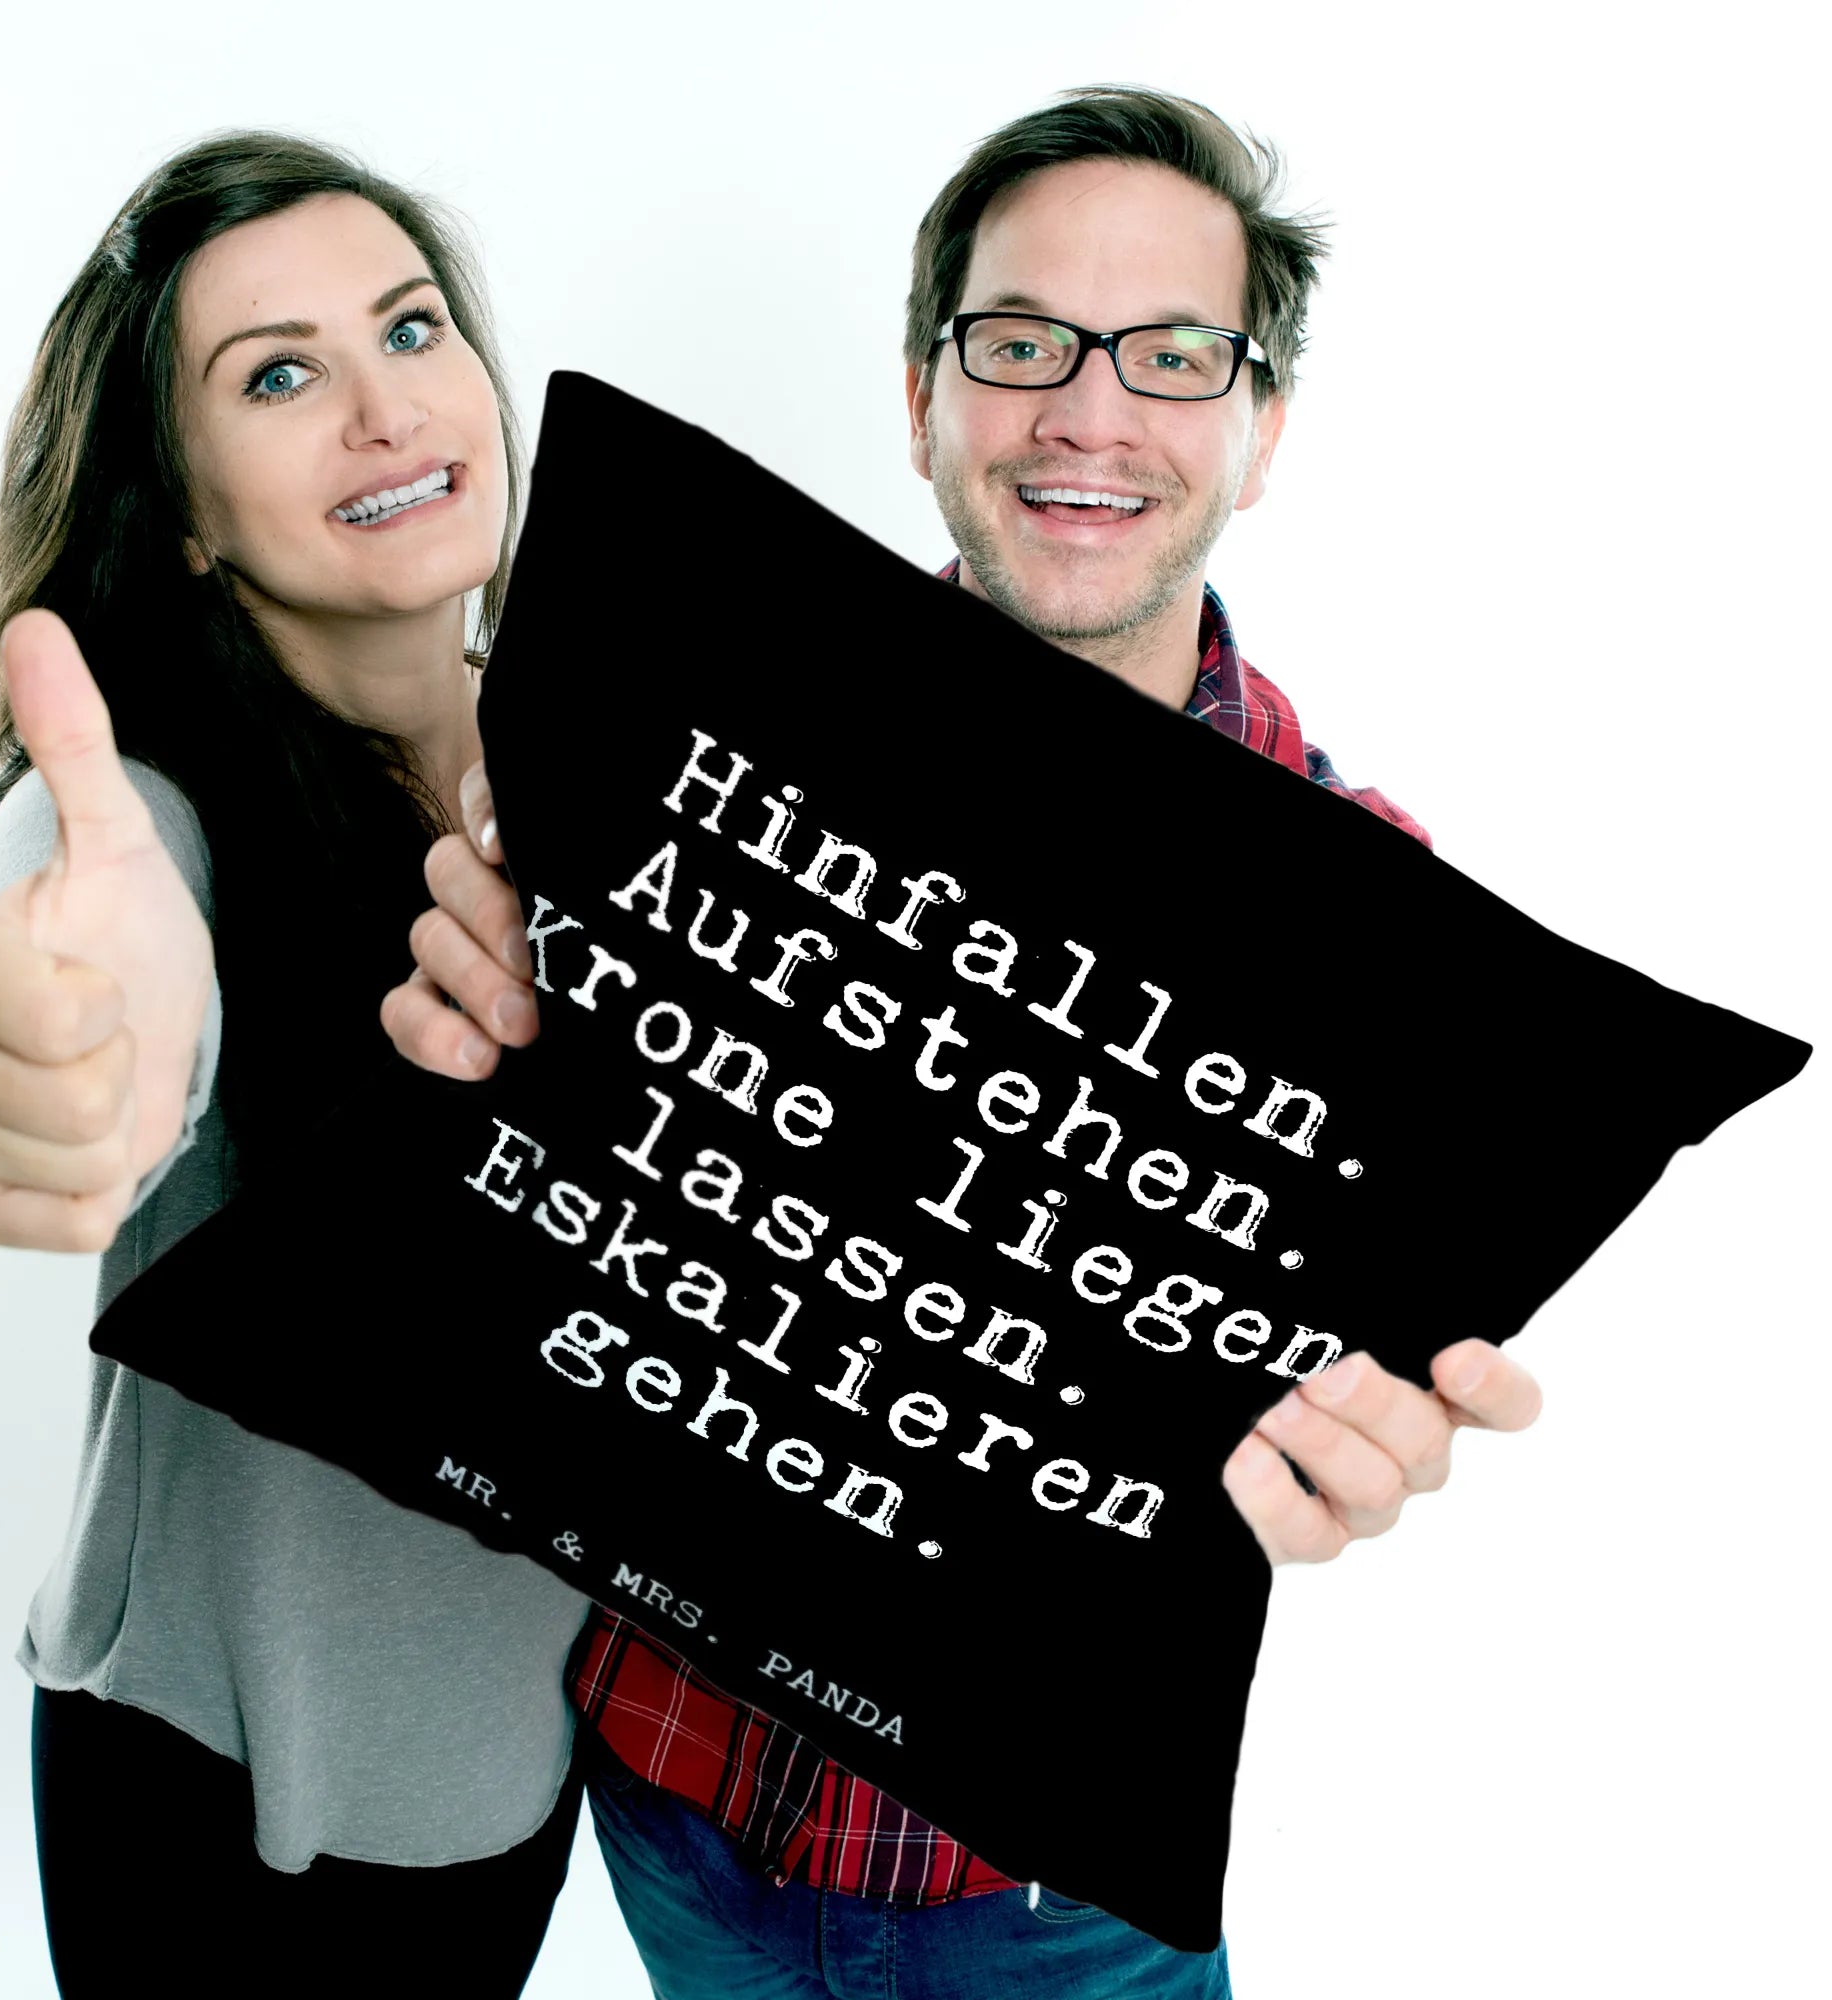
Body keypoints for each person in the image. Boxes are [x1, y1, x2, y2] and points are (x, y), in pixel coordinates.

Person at [386, 86, 1546, 1997]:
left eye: (1174, 355)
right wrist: (478, 1045)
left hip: (1047, 1905)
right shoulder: (696, 749)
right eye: (1022, 344)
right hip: (661, 1795)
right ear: (924, 398)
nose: (1090, 412)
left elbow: (1318, 1391)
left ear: (1259, 433)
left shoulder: (1386, 927)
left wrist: (1357, 1442)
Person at [0, 135, 579, 1995]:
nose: (382, 409)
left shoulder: (590, 778)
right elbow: (91, 924)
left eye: (410, 329)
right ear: (186, 514)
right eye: (277, 375)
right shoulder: (153, 807)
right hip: (222, 1803)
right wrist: (62, 1031)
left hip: (515, 1777)